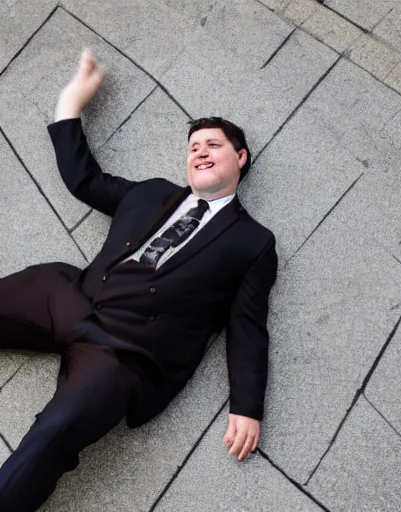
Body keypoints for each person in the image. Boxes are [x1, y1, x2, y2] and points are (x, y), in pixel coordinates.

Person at [0, 48, 278, 511]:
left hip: (123, 352)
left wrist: (247, 405)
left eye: (212, 145)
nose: (200, 152)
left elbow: (247, 325)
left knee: (57, 431)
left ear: (240, 157)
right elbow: (85, 182)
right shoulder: (150, 193)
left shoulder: (253, 242)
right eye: (193, 148)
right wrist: (70, 106)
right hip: (69, 297)